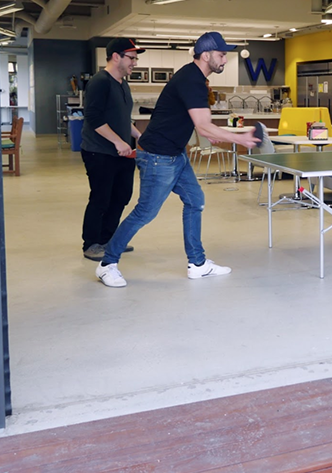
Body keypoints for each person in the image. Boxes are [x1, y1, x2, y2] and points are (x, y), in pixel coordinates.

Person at [94, 32, 260, 288]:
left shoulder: (193, 77)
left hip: (175, 154)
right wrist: (241, 140)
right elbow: (204, 126)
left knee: (195, 201)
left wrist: (212, 133)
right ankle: (107, 265)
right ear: (206, 55)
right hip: (159, 157)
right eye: (221, 54)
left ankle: (197, 263)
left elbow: (196, 122)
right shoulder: (191, 80)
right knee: (145, 212)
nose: (225, 60)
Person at [80, 37, 144, 260]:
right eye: (131, 58)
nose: (134, 63)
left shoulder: (122, 84)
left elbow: (122, 118)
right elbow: (93, 117)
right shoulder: (100, 82)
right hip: (100, 152)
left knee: (121, 196)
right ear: (116, 56)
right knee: (101, 198)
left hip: (123, 154)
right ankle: (91, 244)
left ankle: (108, 240)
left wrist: (138, 135)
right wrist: (118, 141)